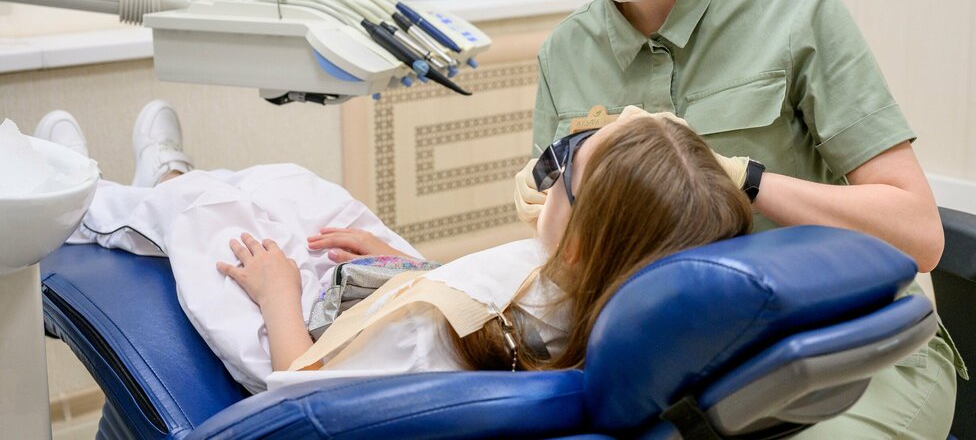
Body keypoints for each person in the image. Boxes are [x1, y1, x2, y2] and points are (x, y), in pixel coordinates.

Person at [516, 0, 962, 439]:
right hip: (674, 370)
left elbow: (920, 234)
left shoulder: (797, 12)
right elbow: (563, 248)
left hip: (843, 351)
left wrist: (743, 179)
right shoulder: (566, 53)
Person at [35, 100, 751, 392]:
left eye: (564, 173)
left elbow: (300, 387)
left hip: (301, 342)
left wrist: (278, 294)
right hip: (396, 303)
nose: (549, 175)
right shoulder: (593, 299)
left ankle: (79, 197)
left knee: (210, 215)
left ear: (582, 243)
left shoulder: (430, 336)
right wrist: (408, 271)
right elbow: (497, 307)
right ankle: (163, 179)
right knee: (299, 188)